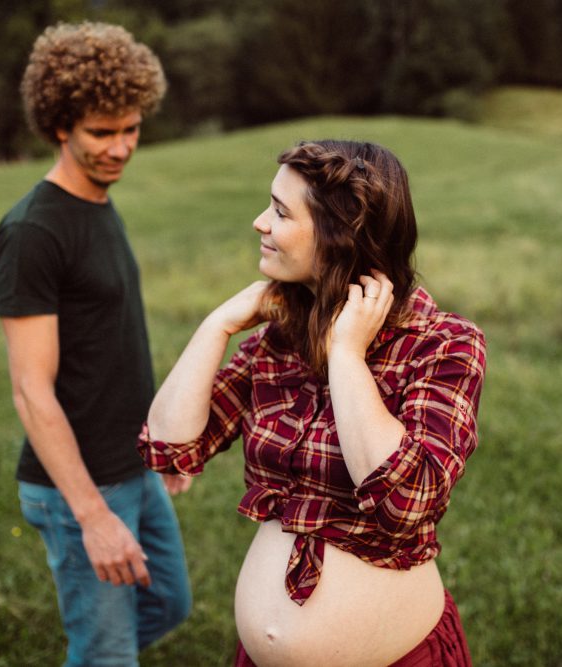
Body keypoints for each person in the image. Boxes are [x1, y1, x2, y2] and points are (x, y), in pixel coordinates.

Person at [139, 140, 486, 666]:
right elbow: (170, 449)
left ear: (340, 236)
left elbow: (408, 499)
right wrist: (219, 326)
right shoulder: (277, 341)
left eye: (279, 212)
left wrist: (345, 354)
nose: (260, 222)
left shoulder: (444, 345)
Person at [0, 22, 191, 666]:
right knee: (106, 654)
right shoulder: (33, 231)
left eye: (130, 129)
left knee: (170, 604)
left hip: (132, 465)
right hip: (79, 486)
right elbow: (30, 389)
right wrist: (93, 516)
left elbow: (114, 349)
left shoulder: (101, 204)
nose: (120, 148)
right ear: (58, 124)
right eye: (101, 134)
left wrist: (163, 440)